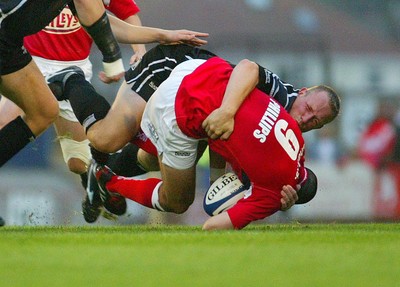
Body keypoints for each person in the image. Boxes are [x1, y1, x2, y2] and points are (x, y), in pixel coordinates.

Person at [47, 44, 340, 221]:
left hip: (197, 106)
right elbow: (247, 71)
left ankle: (99, 180)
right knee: (106, 138)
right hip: (176, 68)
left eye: (315, 122)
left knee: (151, 161)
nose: (306, 118)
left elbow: (228, 142)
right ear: (303, 91)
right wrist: (219, 178)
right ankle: (72, 80)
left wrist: (280, 199)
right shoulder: (277, 95)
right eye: (309, 108)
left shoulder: (290, 136)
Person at [0, 0, 208, 168]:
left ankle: (92, 181)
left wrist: (160, 36)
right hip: (27, 55)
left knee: (63, 139)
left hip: (16, 50)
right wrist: (112, 60)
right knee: (6, 122)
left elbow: (109, 19)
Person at [0, 0, 146, 223]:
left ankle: (94, 184)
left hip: (73, 70)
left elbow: (125, 11)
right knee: (3, 125)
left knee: (78, 161)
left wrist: (140, 51)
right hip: (30, 64)